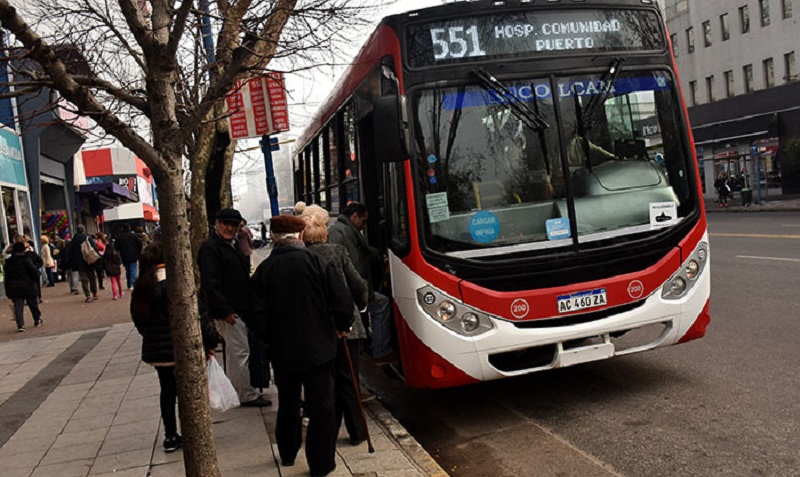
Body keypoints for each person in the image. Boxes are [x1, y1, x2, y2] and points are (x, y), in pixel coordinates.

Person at [249, 215, 355, 477]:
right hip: (318, 348)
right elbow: (341, 299)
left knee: (287, 401)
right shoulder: (316, 262)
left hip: (283, 350)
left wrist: (268, 336)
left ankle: (287, 452)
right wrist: (342, 325)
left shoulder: (265, 270)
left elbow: (254, 313)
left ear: (274, 238)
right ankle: (321, 463)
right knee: (321, 406)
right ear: (299, 236)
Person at [131, 241, 220, 453]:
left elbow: (139, 319)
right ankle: (194, 432)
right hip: (184, 348)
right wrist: (211, 342)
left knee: (167, 391)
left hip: (158, 353)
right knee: (188, 391)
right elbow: (198, 318)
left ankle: (170, 434)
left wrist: (153, 336)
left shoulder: (143, 287)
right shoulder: (180, 284)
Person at [301, 205, 370, 445]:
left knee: (325, 386)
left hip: (318, 331)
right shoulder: (338, 253)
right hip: (347, 327)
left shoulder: (302, 257)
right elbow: (358, 285)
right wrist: (361, 306)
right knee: (349, 382)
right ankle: (357, 432)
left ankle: (329, 432)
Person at [198, 208, 269, 407]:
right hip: (230, 312)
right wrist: (225, 311)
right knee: (239, 353)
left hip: (239, 309)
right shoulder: (210, 249)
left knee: (240, 351)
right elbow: (211, 284)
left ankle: (244, 389)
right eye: (225, 224)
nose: (229, 228)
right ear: (216, 224)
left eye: (233, 225)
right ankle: (246, 394)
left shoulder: (231, 245)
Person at [328, 201, 396, 365]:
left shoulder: (343, 230)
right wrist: (367, 294)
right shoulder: (345, 233)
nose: (364, 226)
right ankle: (381, 351)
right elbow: (356, 266)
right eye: (363, 221)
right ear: (354, 217)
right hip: (349, 293)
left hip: (345, 291)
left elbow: (362, 252)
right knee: (382, 304)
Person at [5, 241, 43, 332]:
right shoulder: (26, 260)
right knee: (33, 304)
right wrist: (36, 278)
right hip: (28, 285)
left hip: (14, 287)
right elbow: (34, 272)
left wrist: (7, 289)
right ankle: (37, 319)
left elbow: (7, 277)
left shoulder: (9, 262)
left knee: (18, 305)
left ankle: (20, 325)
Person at [63, 225, 101, 303]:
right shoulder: (88, 238)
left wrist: (70, 262)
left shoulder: (74, 240)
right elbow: (94, 248)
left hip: (79, 263)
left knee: (84, 279)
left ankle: (88, 295)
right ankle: (94, 293)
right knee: (92, 277)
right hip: (89, 260)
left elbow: (69, 252)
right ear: (83, 230)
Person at [116, 224, 142, 289]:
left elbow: (116, 247)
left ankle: (129, 284)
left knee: (128, 270)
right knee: (133, 270)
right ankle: (133, 284)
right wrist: (138, 252)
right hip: (133, 255)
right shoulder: (133, 235)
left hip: (124, 256)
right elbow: (139, 244)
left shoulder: (119, 237)